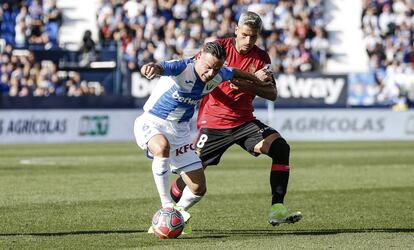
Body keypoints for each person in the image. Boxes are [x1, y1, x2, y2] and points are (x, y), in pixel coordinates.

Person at [170, 11, 302, 226]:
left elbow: (272, 94)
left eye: (254, 37)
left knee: (280, 148)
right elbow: (197, 73)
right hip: (213, 123)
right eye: (245, 35)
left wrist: (244, 84)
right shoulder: (217, 49)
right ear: (236, 30)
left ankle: (277, 208)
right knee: (191, 175)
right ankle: (168, 211)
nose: (248, 41)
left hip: (244, 122)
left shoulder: (261, 58)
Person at [134, 42, 270, 234]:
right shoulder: (182, 67)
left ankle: (178, 215)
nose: (210, 73)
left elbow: (235, 72)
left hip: (180, 133)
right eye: (208, 67)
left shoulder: (218, 74)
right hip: (153, 122)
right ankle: (166, 207)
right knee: (161, 147)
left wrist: (255, 78)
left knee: (198, 188)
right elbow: (160, 67)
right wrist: (149, 67)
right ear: (199, 58)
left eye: (216, 68)